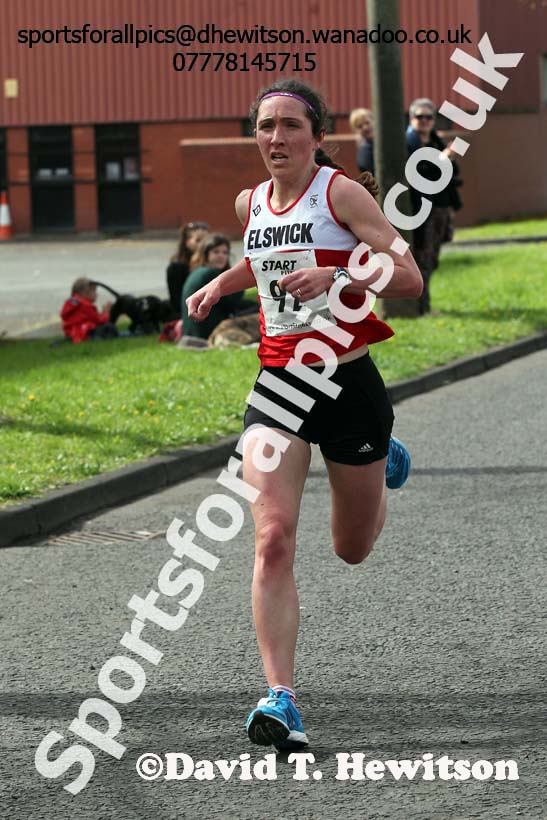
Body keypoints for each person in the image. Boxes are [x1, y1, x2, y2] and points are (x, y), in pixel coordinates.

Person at [186, 79, 422, 750]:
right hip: (278, 387)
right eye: (265, 125)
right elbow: (266, 260)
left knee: (351, 549)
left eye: (291, 125)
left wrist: (340, 276)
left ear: (317, 137)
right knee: (273, 537)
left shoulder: (341, 194)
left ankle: (384, 454)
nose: (276, 137)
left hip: (347, 388)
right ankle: (279, 698)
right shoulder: (249, 201)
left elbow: (406, 279)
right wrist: (220, 283)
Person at [406, 98, 463, 315]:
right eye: (420, 116)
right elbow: (418, 173)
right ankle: (421, 308)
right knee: (424, 258)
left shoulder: (435, 140)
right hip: (422, 209)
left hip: (441, 207)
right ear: (412, 119)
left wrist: (447, 158)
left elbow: (453, 171)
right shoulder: (409, 142)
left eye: (429, 117)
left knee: (433, 258)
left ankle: (423, 306)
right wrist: (442, 159)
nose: (425, 121)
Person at [180, 234, 243, 342]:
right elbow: (231, 303)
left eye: (225, 253)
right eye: (216, 252)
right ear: (205, 254)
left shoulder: (197, 271)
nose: (221, 256)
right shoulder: (210, 274)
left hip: (191, 333)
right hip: (209, 334)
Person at [166, 222, 209, 317]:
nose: (203, 245)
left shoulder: (213, 262)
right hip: (189, 312)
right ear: (187, 242)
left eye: (206, 241)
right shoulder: (176, 268)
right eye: (198, 241)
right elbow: (176, 302)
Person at [60, 277, 116, 343]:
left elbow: (90, 318)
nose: (96, 294)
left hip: (71, 333)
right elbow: (98, 321)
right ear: (85, 292)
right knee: (109, 327)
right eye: (94, 291)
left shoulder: (71, 302)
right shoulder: (85, 305)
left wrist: (102, 313)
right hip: (85, 333)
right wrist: (107, 313)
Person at [349, 107, 375, 174]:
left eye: (367, 123)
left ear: (374, 121)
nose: (365, 128)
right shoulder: (365, 150)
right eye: (360, 126)